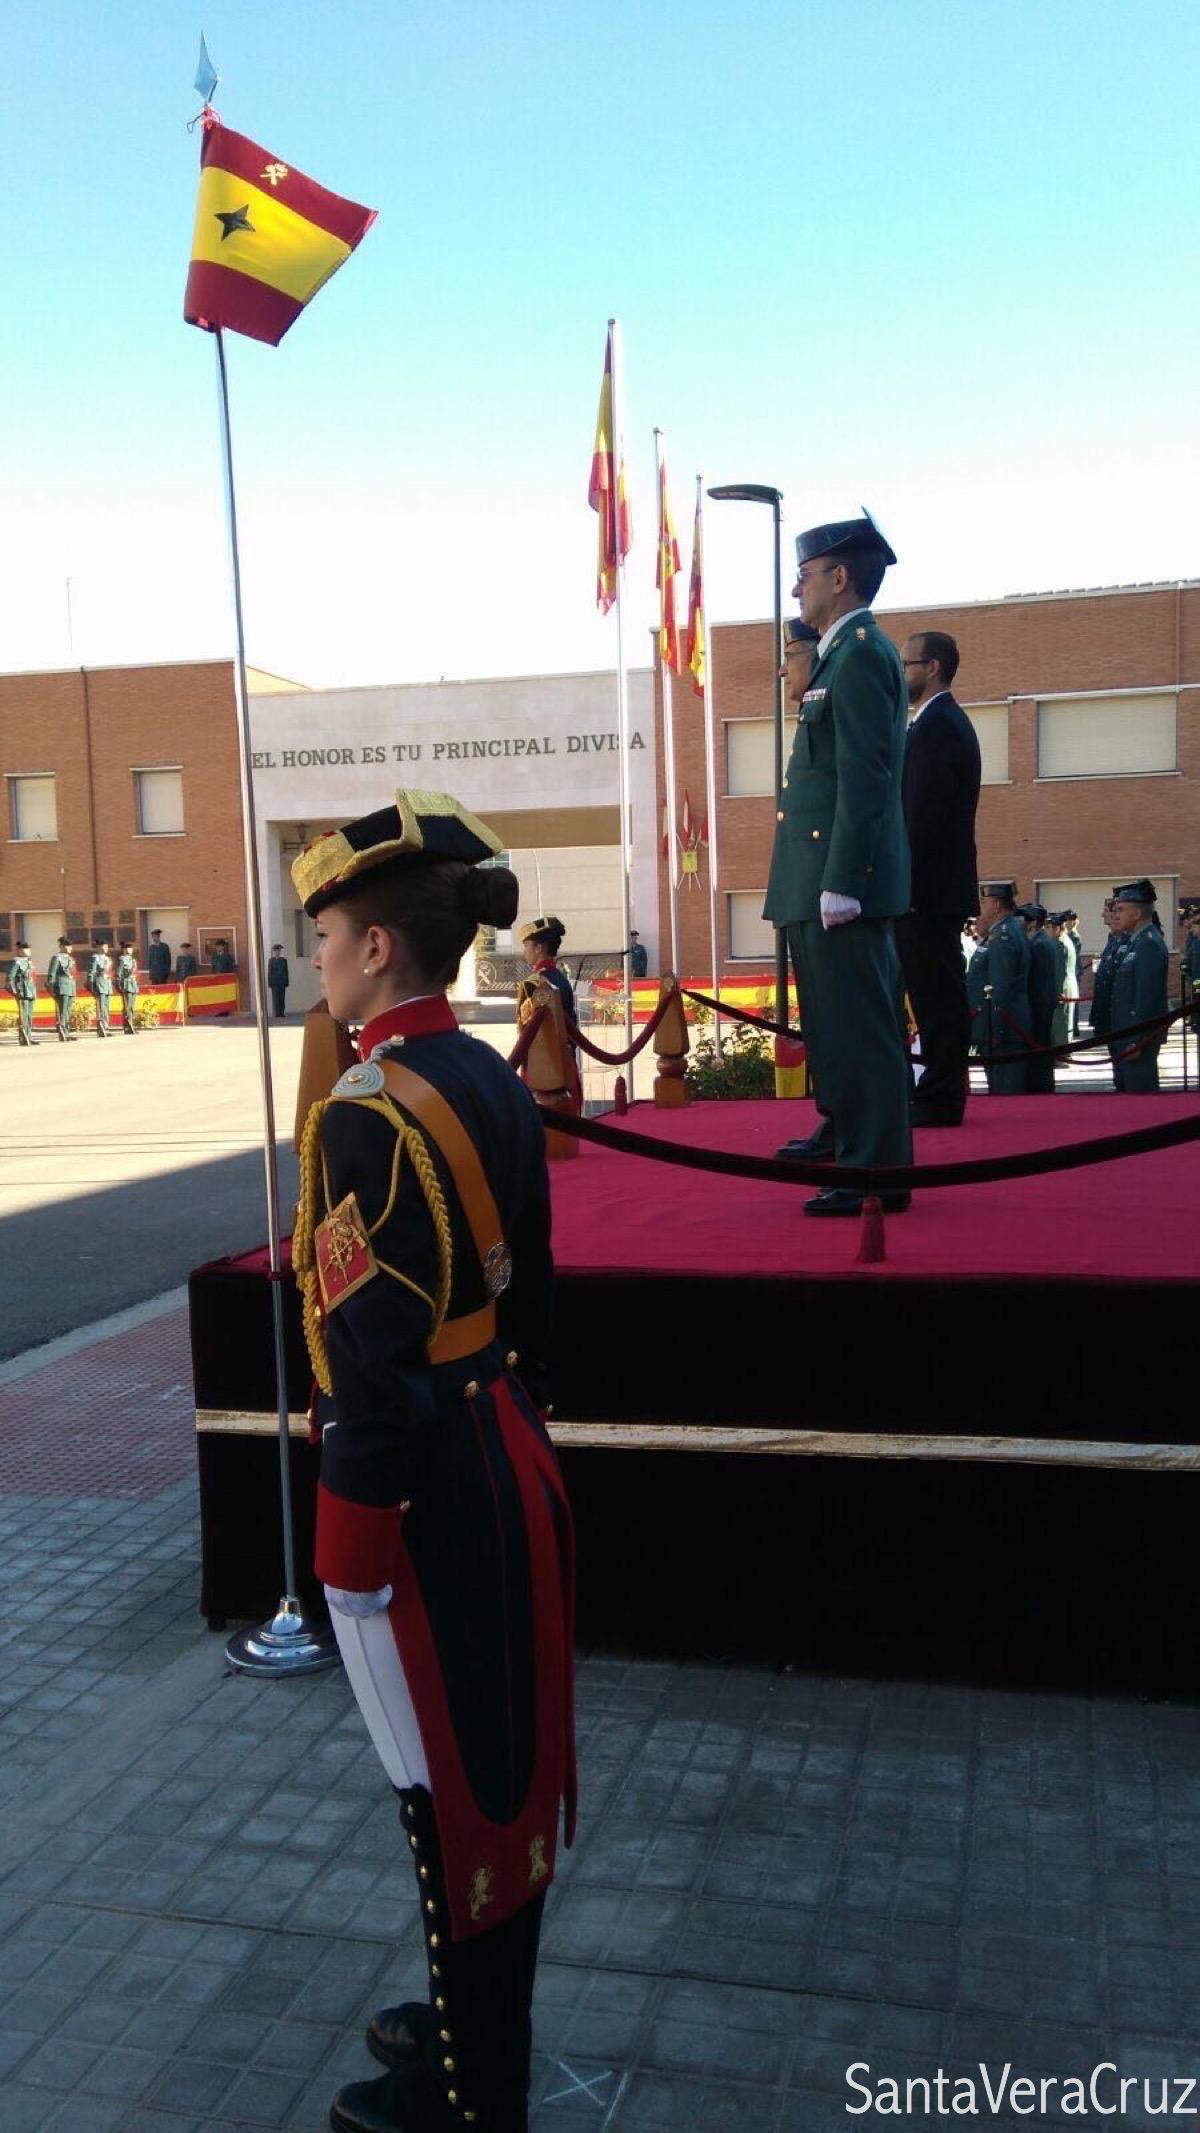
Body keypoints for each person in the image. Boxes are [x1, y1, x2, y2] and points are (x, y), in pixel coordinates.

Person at [290, 790, 575, 2133]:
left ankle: (474, 2094)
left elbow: (379, 1356)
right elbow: (537, 1294)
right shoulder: (484, 1074)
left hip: (417, 1491)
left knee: (440, 1792)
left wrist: (342, 1555)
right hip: (503, 1443)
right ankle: (468, 2028)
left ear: (383, 952)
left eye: (333, 935)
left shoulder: (370, 1109)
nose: (323, 960)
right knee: (495, 1776)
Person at [764, 512, 912, 1214]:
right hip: (816, 877)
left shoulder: (861, 654)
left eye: (806, 575)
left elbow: (866, 775)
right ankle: (856, 1147)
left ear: (839, 577)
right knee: (838, 1030)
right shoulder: (839, 653)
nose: (798, 589)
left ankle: (876, 1175)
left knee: (864, 1033)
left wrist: (844, 880)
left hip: (839, 882)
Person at [894, 629, 981, 1126]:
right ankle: (937, 1091)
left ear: (933, 668)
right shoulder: (928, 724)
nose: (901, 672)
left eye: (908, 664)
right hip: (926, 888)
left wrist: (904, 889)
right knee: (931, 996)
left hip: (926, 889)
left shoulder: (941, 725)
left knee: (939, 998)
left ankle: (942, 1097)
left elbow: (921, 819)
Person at [1108, 877, 1169, 1091]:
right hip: (1126, 1035)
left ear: (1136, 914)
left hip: (1138, 1039)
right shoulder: (1136, 941)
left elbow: (1147, 997)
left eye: (1121, 909)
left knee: (1140, 1099)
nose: (1117, 914)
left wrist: (1138, 1040)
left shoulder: (1148, 943)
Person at [975, 883, 1031, 1093]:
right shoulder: (1002, 931)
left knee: (1005, 1094)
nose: (980, 906)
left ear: (997, 904)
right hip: (1005, 1025)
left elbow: (1000, 986)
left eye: (984, 902)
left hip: (1005, 1030)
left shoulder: (1003, 936)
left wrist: (994, 1028)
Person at [1019, 904, 1059, 1094]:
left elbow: (1038, 983)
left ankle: (1041, 1088)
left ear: (1033, 923)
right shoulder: (1039, 941)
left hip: (1039, 1008)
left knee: (1039, 1055)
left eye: (1023, 919)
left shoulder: (1039, 944)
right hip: (1041, 1007)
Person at [519, 917, 575, 1026]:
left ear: (538, 948)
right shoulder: (562, 978)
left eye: (526, 945)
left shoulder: (531, 984)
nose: (524, 952)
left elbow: (526, 1029)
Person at [1088, 897, 1122, 1039]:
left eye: (1106, 911)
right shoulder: (1113, 938)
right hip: (1107, 1014)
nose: (1103, 914)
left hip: (1117, 1018)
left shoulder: (1125, 942)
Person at [46, 937, 79, 1042]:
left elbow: (73, 973)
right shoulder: (57, 958)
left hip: (70, 986)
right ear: (61, 946)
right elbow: (52, 974)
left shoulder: (70, 959)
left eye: (70, 946)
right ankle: (62, 1030)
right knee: (63, 1010)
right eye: (67, 945)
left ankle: (66, 1031)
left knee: (68, 1010)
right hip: (61, 986)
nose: (69, 948)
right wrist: (51, 988)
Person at [7, 941, 38, 1046]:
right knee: (24, 1015)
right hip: (22, 991)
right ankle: (23, 1037)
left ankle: (28, 1036)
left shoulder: (29, 962)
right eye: (26, 949)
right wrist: (15, 991)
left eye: (29, 949)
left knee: (29, 1015)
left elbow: (33, 977)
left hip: (30, 990)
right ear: (20, 950)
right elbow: (9, 978)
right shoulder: (17, 962)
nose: (29, 951)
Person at [1181, 899, 1200, 1034]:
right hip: (1194, 978)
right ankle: (1194, 1018)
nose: (1192, 926)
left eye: (1196, 924)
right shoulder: (1194, 938)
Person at [88, 940, 114, 1038]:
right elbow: (91, 972)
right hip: (99, 984)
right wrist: (91, 985)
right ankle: (101, 1027)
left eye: (107, 946)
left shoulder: (108, 959)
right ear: (98, 947)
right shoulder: (95, 958)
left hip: (107, 985)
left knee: (107, 1008)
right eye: (104, 946)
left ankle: (106, 1027)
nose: (106, 948)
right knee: (101, 1008)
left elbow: (110, 973)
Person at [116, 943, 140, 1034]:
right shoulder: (122, 959)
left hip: (133, 984)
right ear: (124, 949)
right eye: (128, 948)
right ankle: (127, 1026)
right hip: (126, 985)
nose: (130, 950)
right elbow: (119, 973)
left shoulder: (133, 960)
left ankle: (131, 1024)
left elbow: (136, 973)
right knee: (127, 1007)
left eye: (131, 948)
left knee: (132, 1007)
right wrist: (119, 984)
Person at [267, 943, 290, 1018]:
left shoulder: (284, 960)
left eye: (278, 951)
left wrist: (287, 982)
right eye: (276, 951)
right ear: (274, 952)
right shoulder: (271, 961)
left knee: (282, 998)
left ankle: (281, 1013)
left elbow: (286, 972)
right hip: (275, 983)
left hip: (282, 982)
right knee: (276, 998)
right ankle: (277, 1013)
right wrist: (269, 983)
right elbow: (269, 972)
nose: (277, 952)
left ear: (280, 952)